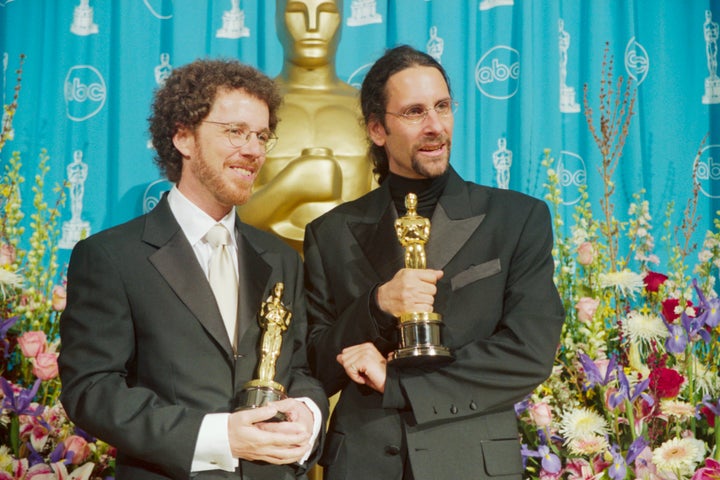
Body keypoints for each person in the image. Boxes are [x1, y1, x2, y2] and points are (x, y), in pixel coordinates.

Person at [303, 45, 565, 480]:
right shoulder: (329, 232)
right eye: (414, 112)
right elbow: (313, 364)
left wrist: (400, 385)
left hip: (470, 464)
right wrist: (377, 305)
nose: (436, 126)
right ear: (377, 129)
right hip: (362, 464)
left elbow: (528, 352)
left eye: (443, 107)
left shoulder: (517, 218)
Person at [58, 59, 328, 480]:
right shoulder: (112, 257)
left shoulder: (281, 259)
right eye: (235, 131)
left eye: (261, 135)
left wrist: (308, 414)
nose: (254, 149)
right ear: (183, 136)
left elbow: (300, 372)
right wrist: (220, 437)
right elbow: (92, 390)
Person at [237, 0, 374, 252]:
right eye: (297, 12)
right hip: (266, 274)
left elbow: (390, 215)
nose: (312, 26)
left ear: (342, 20)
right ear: (277, 20)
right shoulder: (250, 109)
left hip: (354, 278)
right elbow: (229, 218)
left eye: (326, 12)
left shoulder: (368, 112)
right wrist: (291, 185)